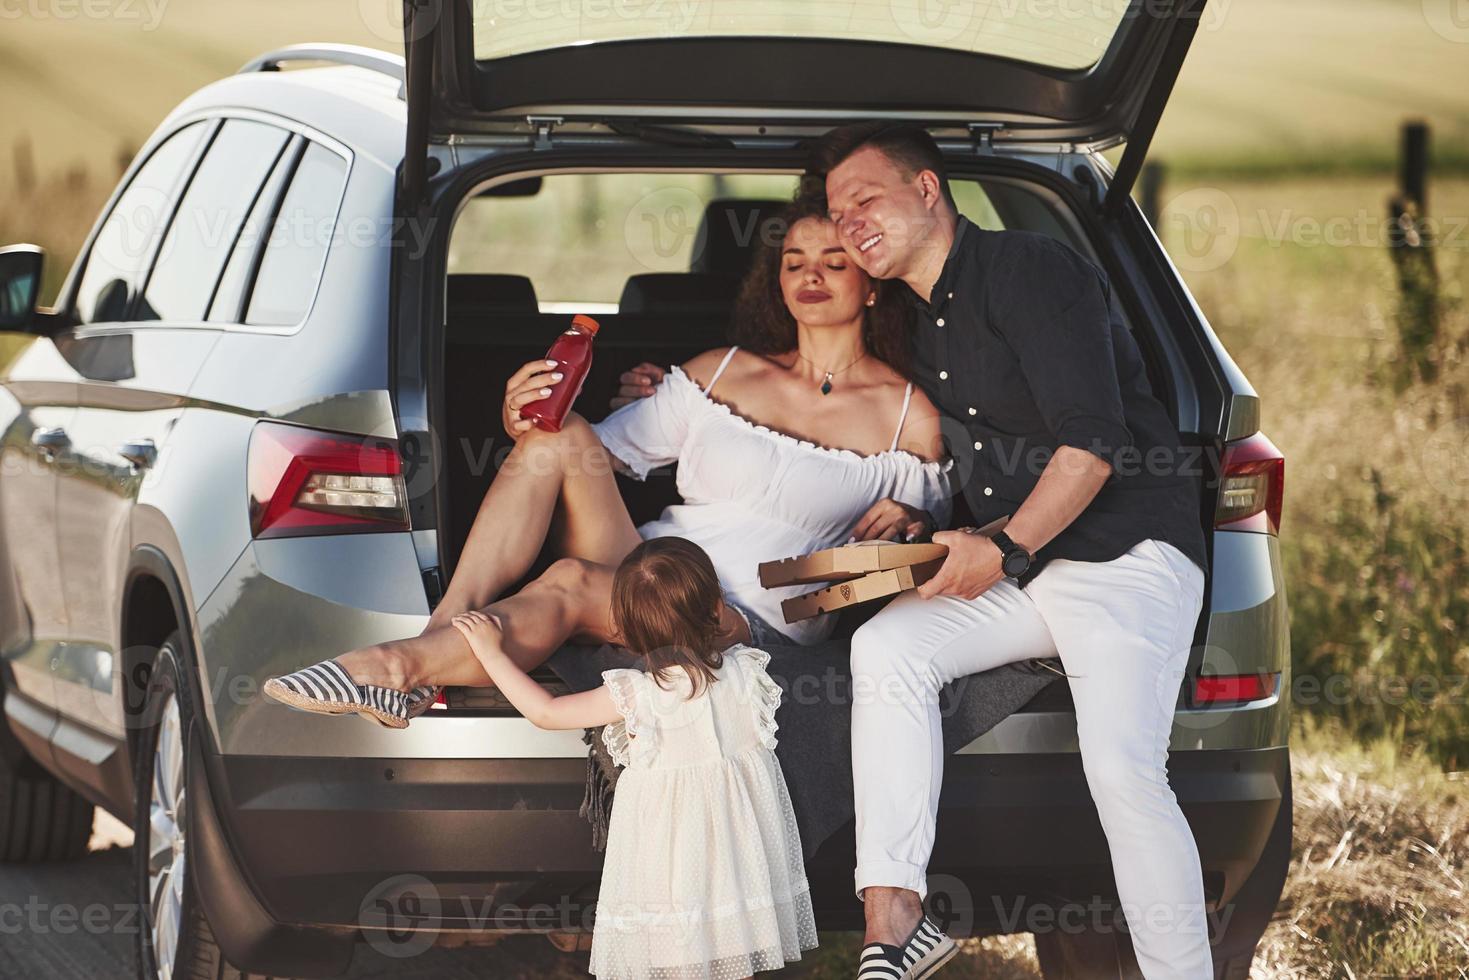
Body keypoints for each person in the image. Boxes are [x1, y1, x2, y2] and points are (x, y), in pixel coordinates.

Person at [262, 193, 955, 729]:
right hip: (655, 560)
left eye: (833, 263)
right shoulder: (721, 372)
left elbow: (932, 544)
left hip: (757, 604)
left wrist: (915, 517)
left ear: (870, 283)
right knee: (555, 436)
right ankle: (442, 630)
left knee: (567, 580)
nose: (810, 276)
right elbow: (588, 447)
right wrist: (519, 415)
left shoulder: (906, 411)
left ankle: (395, 665)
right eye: (793, 262)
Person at [815, 122, 1213, 979]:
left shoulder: (1030, 271)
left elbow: (1092, 445)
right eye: (834, 213)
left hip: (1123, 555)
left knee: (1122, 772)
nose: (847, 223)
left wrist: (1008, 551)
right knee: (885, 645)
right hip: (1030, 565)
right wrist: (922, 523)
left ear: (927, 191)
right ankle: (897, 923)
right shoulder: (917, 328)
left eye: (864, 199)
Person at [449, 536, 819, 979]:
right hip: (740, 864)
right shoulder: (747, 672)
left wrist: (492, 652)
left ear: (620, 629)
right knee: (729, 957)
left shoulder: (637, 694)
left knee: (676, 956)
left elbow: (546, 712)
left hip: (670, 863)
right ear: (717, 607)